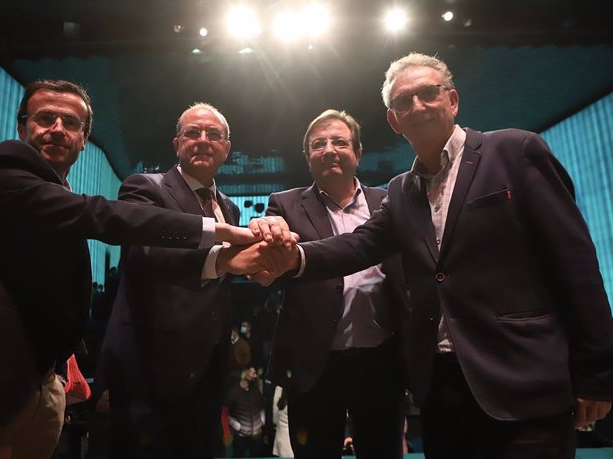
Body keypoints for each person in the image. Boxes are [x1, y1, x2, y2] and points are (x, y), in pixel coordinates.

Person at [249, 53, 613, 459]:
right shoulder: (402, 190)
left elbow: (576, 265)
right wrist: (294, 259)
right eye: (404, 101)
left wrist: (597, 373)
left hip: (520, 376)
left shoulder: (514, 150)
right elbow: (358, 245)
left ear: (453, 100)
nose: (417, 106)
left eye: (428, 93)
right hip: (441, 388)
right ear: (394, 120)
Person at [0, 81, 279, 459]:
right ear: (21, 127)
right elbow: (108, 222)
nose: (58, 128)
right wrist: (221, 240)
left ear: (84, 138)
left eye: (70, 123)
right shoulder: (8, 166)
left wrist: (266, 261)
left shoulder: (59, 189)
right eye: (46, 118)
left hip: (46, 379)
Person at [99, 102, 250, 458]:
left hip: (209, 371)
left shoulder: (229, 208)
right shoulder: (144, 188)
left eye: (213, 135)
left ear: (227, 148)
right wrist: (227, 259)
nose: (202, 140)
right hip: (148, 371)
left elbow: (217, 290)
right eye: (192, 133)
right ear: (176, 143)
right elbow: (145, 255)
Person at [265, 109, 406, 458]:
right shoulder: (284, 205)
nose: (329, 149)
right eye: (319, 144)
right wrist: (266, 233)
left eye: (339, 142)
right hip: (316, 365)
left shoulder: (389, 201)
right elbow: (270, 263)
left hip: (383, 361)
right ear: (308, 157)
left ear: (358, 152)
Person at [225, 367, 265, 458]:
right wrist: (236, 425)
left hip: (256, 437)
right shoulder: (233, 392)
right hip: (241, 438)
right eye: (253, 373)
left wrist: (262, 421)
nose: (255, 376)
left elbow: (261, 406)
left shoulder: (255, 389)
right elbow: (225, 413)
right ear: (244, 374)